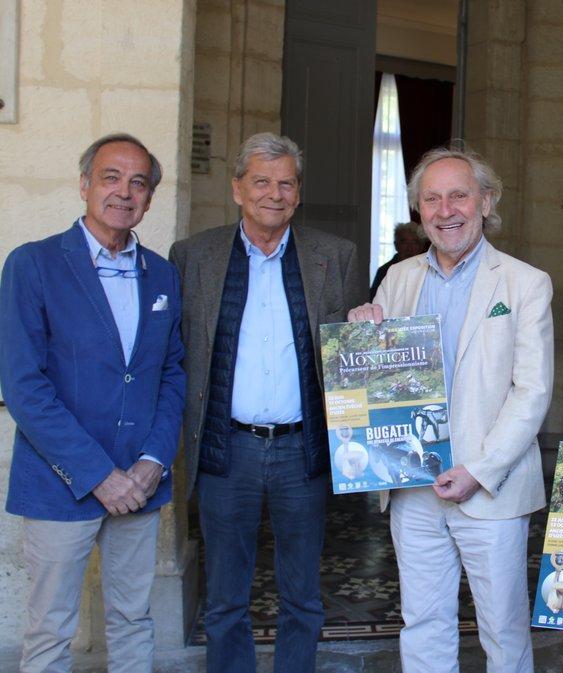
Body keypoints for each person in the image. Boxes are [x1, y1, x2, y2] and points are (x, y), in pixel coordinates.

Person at [348, 145, 554, 673]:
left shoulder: (524, 283)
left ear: (486, 202)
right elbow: (381, 382)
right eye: (431, 199)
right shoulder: (398, 279)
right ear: (419, 211)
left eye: (459, 195)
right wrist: (364, 333)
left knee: (504, 633)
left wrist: (479, 472)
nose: (446, 210)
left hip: (491, 487)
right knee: (423, 623)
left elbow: (531, 393)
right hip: (413, 485)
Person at [168, 132, 360, 673]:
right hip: (227, 449)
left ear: (298, 194)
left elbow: (349, 352)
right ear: (237, 189)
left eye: (285, 183)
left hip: (304, 450)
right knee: (226, 596)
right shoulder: (194, 257)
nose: (273, 194)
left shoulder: (335, 256)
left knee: (303, 594)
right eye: (260, 181)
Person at [0, 133, 186, 673]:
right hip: (61, 483)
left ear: (149, 199)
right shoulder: (32, 266)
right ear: (84, 184)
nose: (124, 192)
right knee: (50, 631)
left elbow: (171, 374)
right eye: (110, 177)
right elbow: (25, 388)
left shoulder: (163, 274)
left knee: (133, 621)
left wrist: (152, 462)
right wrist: (100, 475)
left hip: (140, 482)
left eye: (138, 182)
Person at [369, 220, 428, 299]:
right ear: (396, 245)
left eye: (415, 242)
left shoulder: (429, 269)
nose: (410, 248)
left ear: (421, 246)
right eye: (404, 242)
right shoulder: (384, 271)